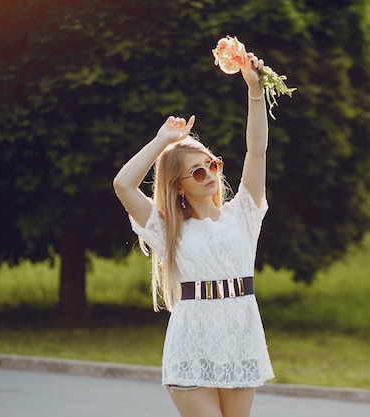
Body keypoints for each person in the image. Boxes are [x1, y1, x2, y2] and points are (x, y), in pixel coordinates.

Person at [113, 50, 274, 417]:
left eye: (212, 164)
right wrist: (162, 141)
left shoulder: (243, 215)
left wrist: (254, 91)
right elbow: (123, 184)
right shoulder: (168, 228)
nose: (211, 174)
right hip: (191, 343)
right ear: (179, 186)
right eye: (198, 172)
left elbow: (257, 150)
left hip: (240, 337)